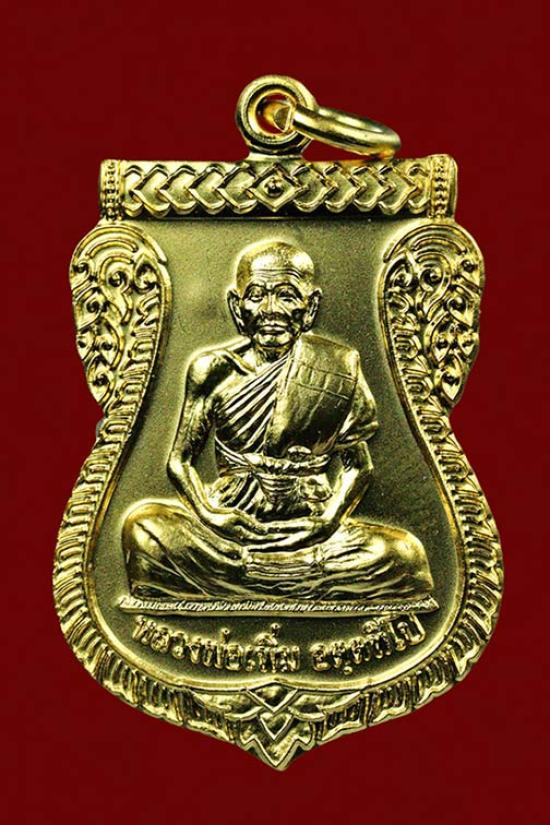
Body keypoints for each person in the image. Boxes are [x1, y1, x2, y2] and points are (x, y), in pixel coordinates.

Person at [123, 241, 433, 600]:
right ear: (237, 307)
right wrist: (211, 516)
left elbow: (358, 466)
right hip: (230, 528)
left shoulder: (337, 367)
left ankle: (247, 581)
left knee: (404, 554)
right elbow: (180, 461)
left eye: (287, 296)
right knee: (143, 530)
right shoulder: (212, 370)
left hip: (308, 526)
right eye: (257, 296)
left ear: (310, 307)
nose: (271, 310)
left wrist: (327, 522)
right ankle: (291, 582)